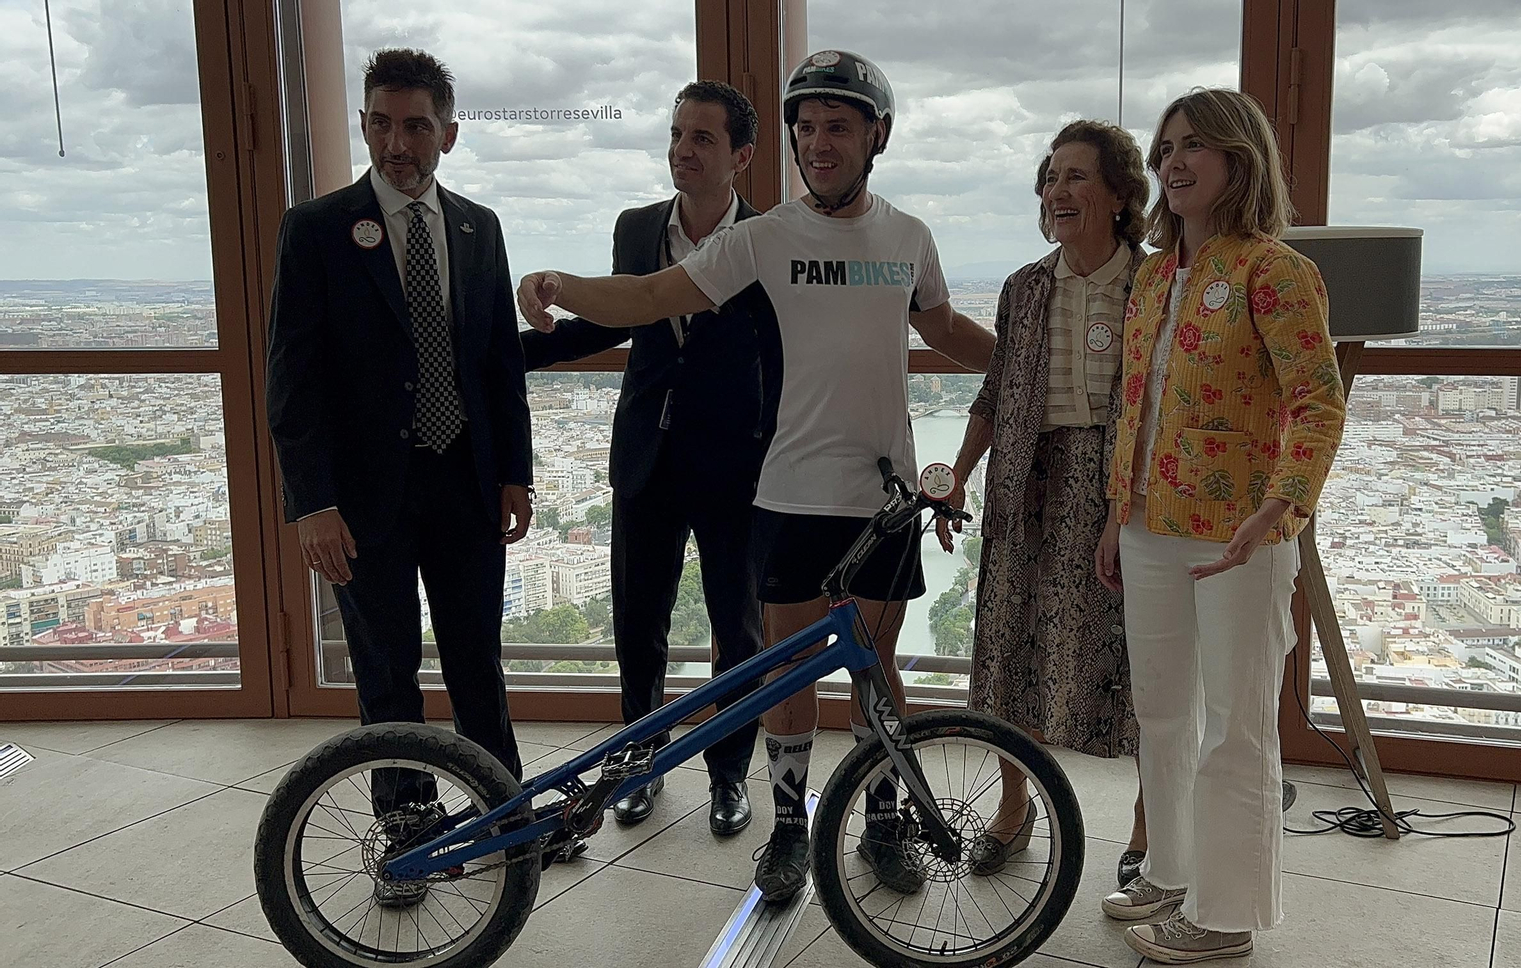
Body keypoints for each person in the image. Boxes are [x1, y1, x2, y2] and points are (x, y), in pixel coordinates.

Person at [517, 50, 996, 906]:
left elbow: (945, 329)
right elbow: (650, 296)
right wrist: (562, 284)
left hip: (881, 496)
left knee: (878, 669)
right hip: (789, 490)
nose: (818, 143)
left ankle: (884, 821)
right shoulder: (766, 236)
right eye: (805, 128)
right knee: (787, 673)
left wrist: (1031, 364)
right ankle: (788, 825)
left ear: (877, 136)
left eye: (837, 126)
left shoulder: (909, 237)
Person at [265, 48, 536, 906]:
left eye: (416, 126)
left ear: (448, 134)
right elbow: (292, 380)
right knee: (386, 672)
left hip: (465, 483)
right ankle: (409, 835)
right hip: (361, 499)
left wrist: (515, 474)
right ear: (363, 126)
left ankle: (503, 815)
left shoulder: (477, 227)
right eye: (380, 124)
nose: (396, 144)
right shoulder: (317, 228)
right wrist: (311, 503)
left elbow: (499, 365)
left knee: (476, 661)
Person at [1095, 88, 1345, 963]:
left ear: (1241, 159)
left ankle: (1225, 915)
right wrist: (1116, 515)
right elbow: (1136, 408)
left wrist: (1282, 505)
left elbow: (1317, 400)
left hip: (1240, 534)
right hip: (1149, 526)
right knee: (1163, 713)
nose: (1174, 162)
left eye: (1194, 145)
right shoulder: (1154, 275)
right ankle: (1170, 870)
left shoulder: (1274, 271)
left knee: (1236, 724)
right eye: (1166, 147)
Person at [518, 80, 778, 836]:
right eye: (676, 135)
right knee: (638, 623)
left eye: (702, 138)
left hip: (736, 466)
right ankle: (640, 765)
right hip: (646, 456)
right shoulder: (637, 228)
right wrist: (514, 352)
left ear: (741, 156)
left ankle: (729, 775)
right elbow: (619, 319)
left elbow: (782, 351)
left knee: (738, 631)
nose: (682, 150)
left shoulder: (766, 237)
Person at [940, 120, 1150, 884]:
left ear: (1120, 194)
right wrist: (960, 471)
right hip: (1026, 482)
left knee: (1142, 655)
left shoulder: (1155, 284)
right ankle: (1013, 805)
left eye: (1076, 176)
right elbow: (997, 390)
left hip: (1123, 488)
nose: (1057, 191)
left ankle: (1149, 824)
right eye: (1051, 177)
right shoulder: (1025, 287)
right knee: (1010, 649)